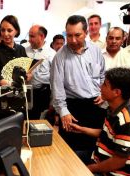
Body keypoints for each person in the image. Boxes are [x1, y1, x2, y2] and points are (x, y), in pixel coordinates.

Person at [70, 67, 130, 176]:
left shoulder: (127, 122)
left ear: (116, 92)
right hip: (99, 159)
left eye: (105, 85)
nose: (100, 87)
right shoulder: (113, 108)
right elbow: (106, 133)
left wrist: (90, 168)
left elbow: (119, 161)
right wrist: (82, 129)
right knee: (70, 157)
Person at [50, 15, 106, 160]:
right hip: (73, 109)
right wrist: (63, 112)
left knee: (95, 151)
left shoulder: (96, 51)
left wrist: (103, 93)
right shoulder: (59, 57)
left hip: (96, 105)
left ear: (86, 33)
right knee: (70, 153)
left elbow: (101, 75)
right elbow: (57, 88)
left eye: (77, 35)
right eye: (69, 35)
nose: (73, 40)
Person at [0, 15, 27, 121]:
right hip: (0, 96)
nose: (5, 34)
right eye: (3, 30)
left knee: (17, 127)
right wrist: (8, 84)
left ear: (16, 31)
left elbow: (24, 70)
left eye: (9, 30)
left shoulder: (21, 49)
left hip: (17, 96)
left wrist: (27, 74)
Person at [24, 25, 55, 119]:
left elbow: (55, 79)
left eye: (32, 36)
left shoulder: (51, 54)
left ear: (41, 36)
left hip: (42, 95)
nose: (29, 39)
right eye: (29, 36)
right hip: (25, 94)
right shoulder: (24, 51)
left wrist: (53, 102)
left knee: (39, 125)